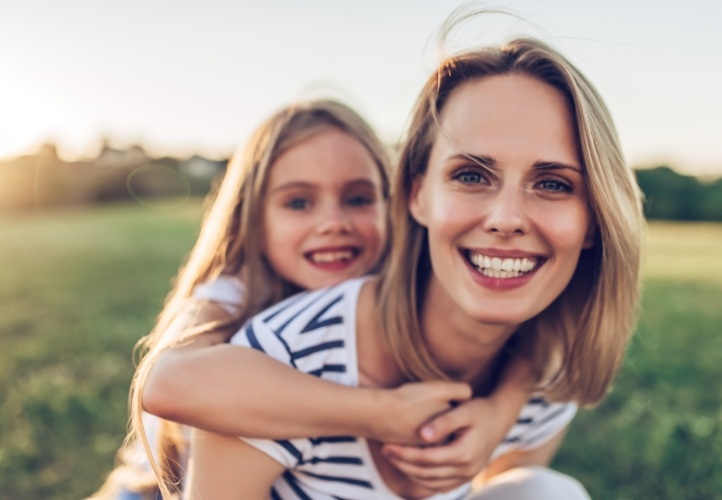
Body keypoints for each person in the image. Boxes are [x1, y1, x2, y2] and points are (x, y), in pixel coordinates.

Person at [182, 32, 644, 500]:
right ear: (416, 195)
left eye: (553, 184)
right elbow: (168, 382)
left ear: (594, 221)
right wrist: (380, 411)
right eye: (470, 175)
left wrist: (506, 405)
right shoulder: (275, 357)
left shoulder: (543, 374)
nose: (506, 219)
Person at [91, 98, 533, 500]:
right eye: (299, 203)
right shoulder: (230, 292)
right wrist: (381, 413)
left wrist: (499, 412)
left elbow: (532, 333)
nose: (332, 222)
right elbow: (168, 384)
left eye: (358, 199)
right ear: (254, 218)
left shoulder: (395, 289)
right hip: (157, 490)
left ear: (394, 205)